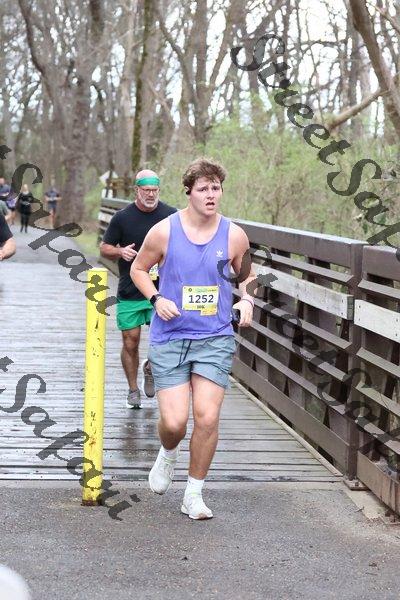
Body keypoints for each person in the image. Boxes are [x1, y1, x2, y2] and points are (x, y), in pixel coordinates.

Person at [130, 158, 257, 520]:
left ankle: (193, 494)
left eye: (216, 188)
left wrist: (247, 299)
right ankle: (167, 453)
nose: (211, 194)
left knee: (207, 416)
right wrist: (156, 298)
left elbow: (248, 276)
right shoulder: (164, 231)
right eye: (203, 188)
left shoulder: (233, 235)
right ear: (189, 192)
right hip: (171, 336)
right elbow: (138, 269)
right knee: (174, 424)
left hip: (214, 337)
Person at [100, 169, 177, 409]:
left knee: (162, 341)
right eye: (146, 190)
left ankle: (150, 367)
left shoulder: (171, 216)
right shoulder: (122, 217)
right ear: (137, 190)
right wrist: (119, 251)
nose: (151, 195)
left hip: (162, 291)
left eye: (154, 190)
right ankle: (133, 390)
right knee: (130, 341)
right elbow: (104, 248)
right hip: (130, 289)